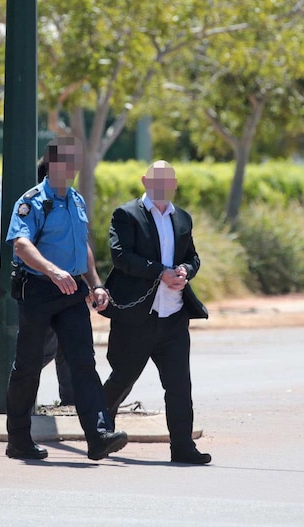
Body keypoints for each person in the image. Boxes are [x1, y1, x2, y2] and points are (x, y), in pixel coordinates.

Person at [4, 136, 127, 461]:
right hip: (40, 290)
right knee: (28, 368)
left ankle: (99, 436)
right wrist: (52, 271)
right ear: (54, 163)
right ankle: (18, 439)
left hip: (72, 291)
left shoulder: (75, 200)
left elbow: (80, 246)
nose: (74, 167)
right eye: (69, 161)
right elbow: (20, 244)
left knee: (84, 364)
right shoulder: (33, 201)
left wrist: (96, 284)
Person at [100, 160, 211, 465]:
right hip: (137, 317)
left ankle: (182, 447)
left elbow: (192, 257)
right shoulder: (127, 214)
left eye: (168, 179)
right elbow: (121, 256)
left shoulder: (183, 218)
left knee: (179, 385)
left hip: (173, 318)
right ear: (145, 181)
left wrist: (185, 271)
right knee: (122, 377)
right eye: (156, 178)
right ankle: (99, 429)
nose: (162, 185)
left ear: (174, 184)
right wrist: (160, 273)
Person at [0, 156, 74, 408]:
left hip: (63, 287)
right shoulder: (37, 205)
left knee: (66, 345)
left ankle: (72, 399)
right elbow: (25, 246)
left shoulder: (65, 202)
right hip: (43, 288)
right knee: (42, 351)